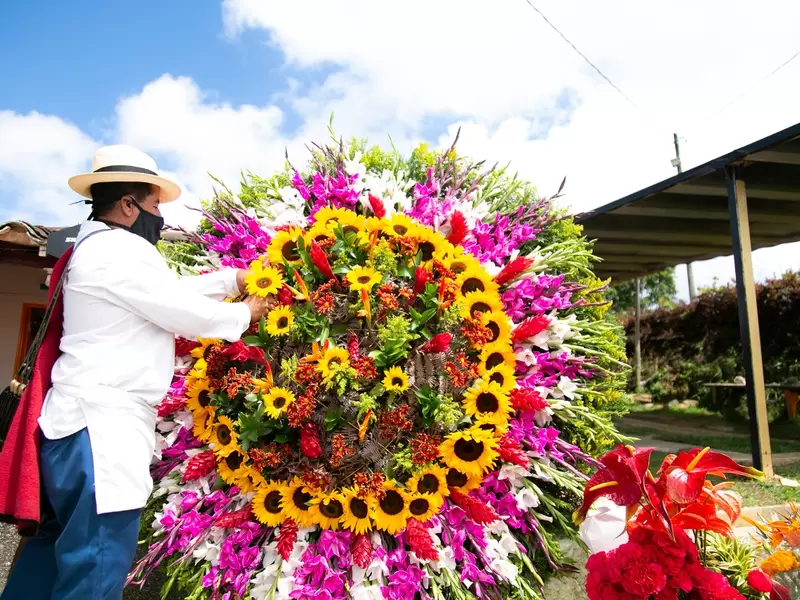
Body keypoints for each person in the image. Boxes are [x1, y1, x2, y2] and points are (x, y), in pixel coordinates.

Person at [0, 145, 272, 599]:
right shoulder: (120, 249)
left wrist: (229, 279)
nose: (160, 218)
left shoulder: (97, 249)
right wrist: (246, 312)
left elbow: (161, 293)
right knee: (96, 566)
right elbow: (181, 311)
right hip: (102, 432)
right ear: (128, 205)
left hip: (76, 428)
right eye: (154, 206)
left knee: (50, 558)